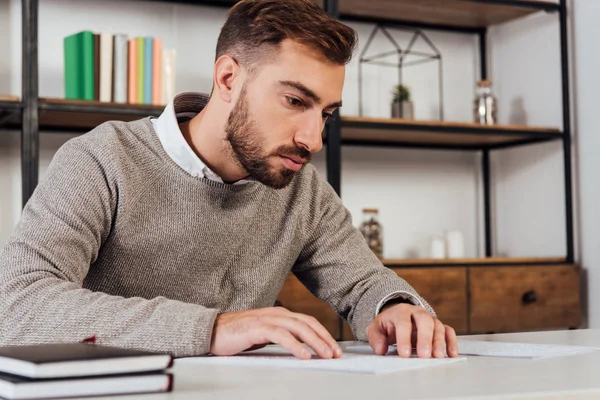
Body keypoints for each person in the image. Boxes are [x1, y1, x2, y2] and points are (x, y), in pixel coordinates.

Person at [0, 0, 458, 360]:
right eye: (296, 101)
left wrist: (394, 308)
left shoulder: (301, 188)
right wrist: (215, 328)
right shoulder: (100, 160)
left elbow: (363, 284)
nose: (313, 139)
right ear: (227, 78)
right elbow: (17, 307)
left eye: (327, 114)